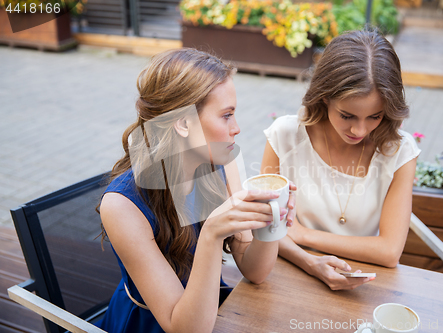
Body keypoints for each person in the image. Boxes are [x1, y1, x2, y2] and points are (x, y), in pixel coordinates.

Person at [97, 48, 296, 333]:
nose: (237, 128)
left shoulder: (222, 164)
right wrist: (212, 234)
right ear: (182, 123)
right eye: (226, 116)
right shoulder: (122, 205)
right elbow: (184, 328)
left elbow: (255, 271)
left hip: (211, 308)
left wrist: (270, 221)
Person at [260, 30, 420, 291]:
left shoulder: (399, 151)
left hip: (360, 285)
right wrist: (311, 263)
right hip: (287, 276)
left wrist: (304, 234)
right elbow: (267, 230)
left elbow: (390, 252)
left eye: (375, 116)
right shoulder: (285, 136)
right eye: (347, 116)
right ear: (324, 96)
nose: (359, 130)